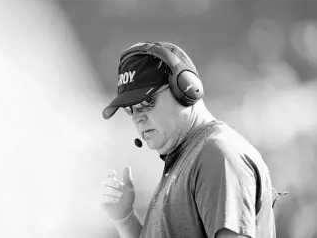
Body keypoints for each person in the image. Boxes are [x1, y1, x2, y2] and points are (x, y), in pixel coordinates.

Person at [101, 41, 277, 238]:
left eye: (146, 102)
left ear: (185, 88)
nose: (137, 117)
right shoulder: (188, 157)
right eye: (130, 109)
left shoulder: (216, 155)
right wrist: (125, 220)